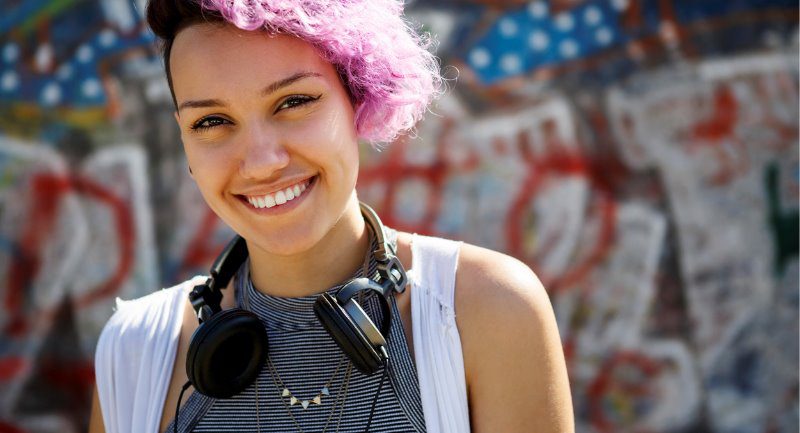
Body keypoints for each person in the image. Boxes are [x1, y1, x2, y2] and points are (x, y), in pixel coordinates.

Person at [88, 0, 574, 431]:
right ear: (184, 139)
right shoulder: (133, 350)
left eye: (294, 101)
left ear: (359, 95)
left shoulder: (489, 312)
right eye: (211, 121)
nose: (261, 162)